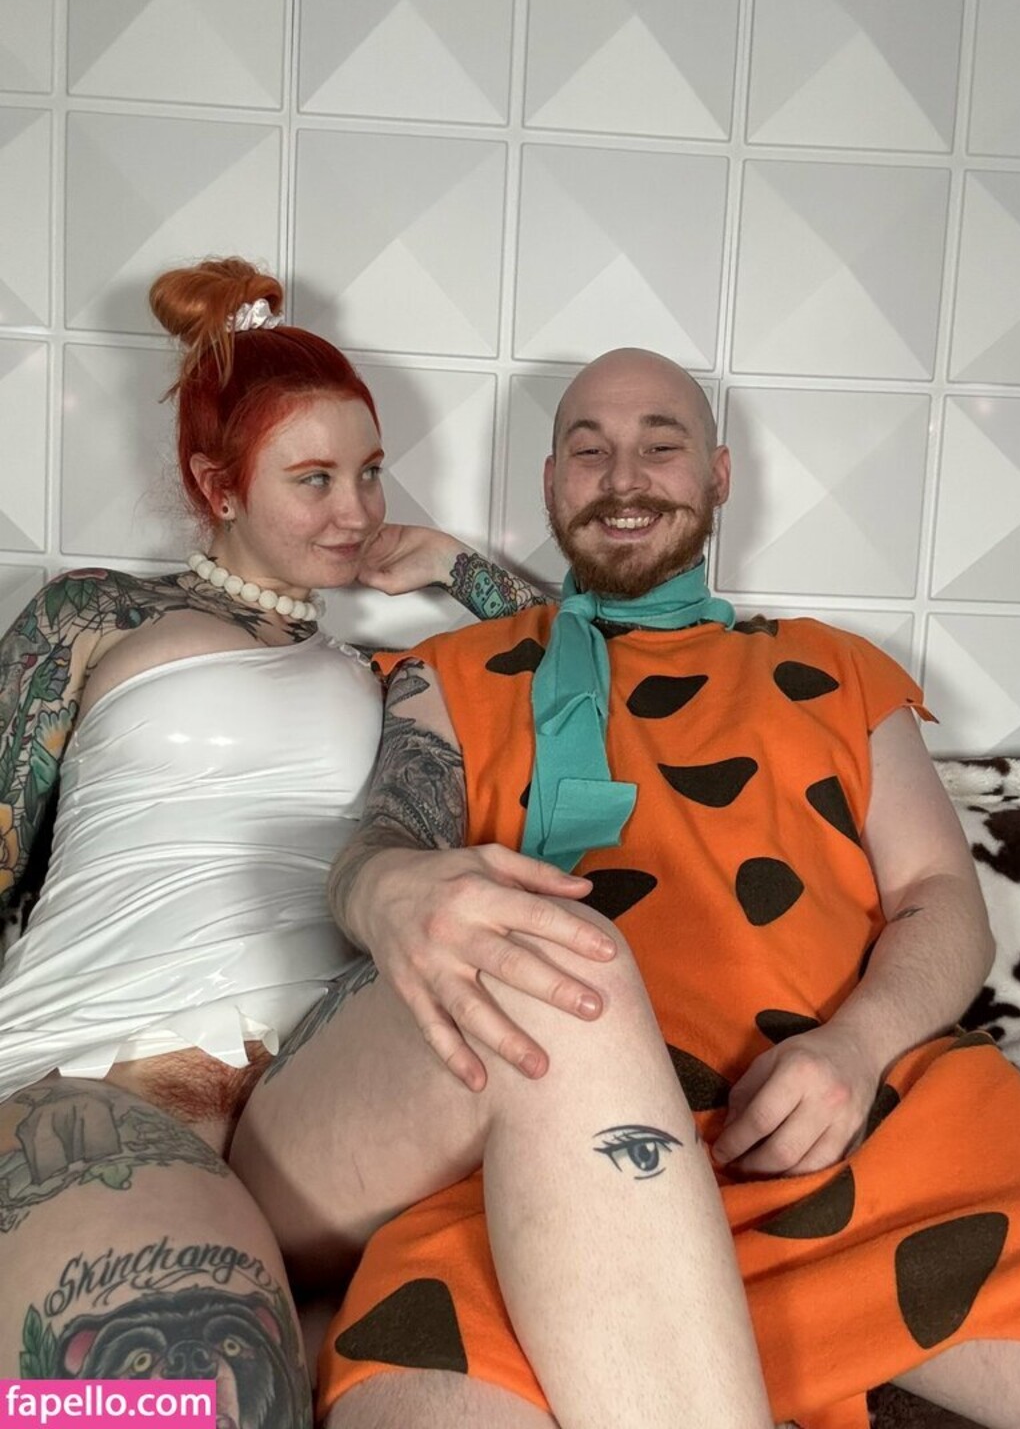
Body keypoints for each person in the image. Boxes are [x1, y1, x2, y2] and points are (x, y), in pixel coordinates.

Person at [292, 349, 1020, 1429]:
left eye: (660, 447)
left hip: (884, 1141)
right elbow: (388, 836)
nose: (623, 477)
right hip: (543, 1182)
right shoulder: (454, 673)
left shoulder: (839, 669)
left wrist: (856, 1051)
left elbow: (941, 895)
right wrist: (375, 887)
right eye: (589, 451)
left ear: (718, 475)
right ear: (551, 485)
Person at [0, 256, 596, 1423]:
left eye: (370, 473)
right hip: (102, 1071)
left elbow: (603, 676)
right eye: (314, 478)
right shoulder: (97, 614)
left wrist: (452, 564)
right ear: (215, 485)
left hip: (317, 1105)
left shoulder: (383, 677)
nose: (357, 512)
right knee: (179, 1392)